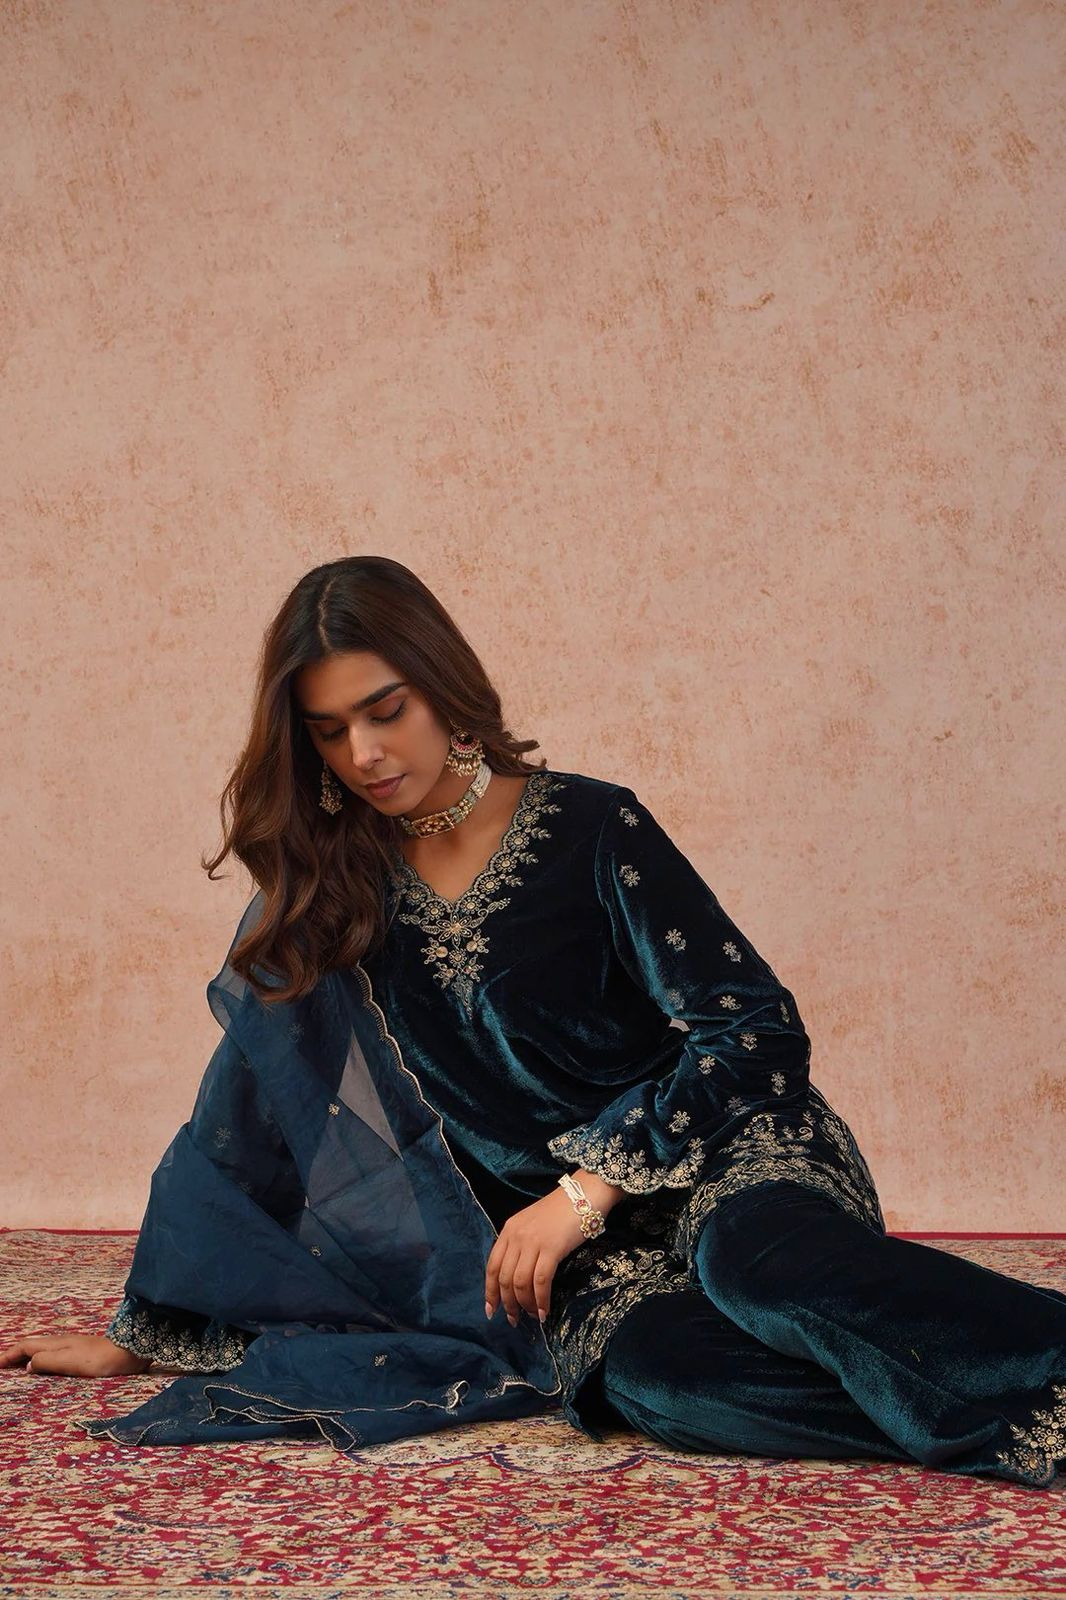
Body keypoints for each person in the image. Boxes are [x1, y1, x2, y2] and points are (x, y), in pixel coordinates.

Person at [3, 555, 1064, 1487]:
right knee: (658, 1383)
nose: (364, 753)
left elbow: (756, 1034)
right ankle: (1016, 1412)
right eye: (330, 732)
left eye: (386, 710)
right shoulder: (333, 895)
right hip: (567, 1259)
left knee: (762, 1275)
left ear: (441, 684)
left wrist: (587, 1188)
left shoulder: (592, 826)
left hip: (727, 1156)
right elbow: (246, 1117)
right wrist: (147, 1333)